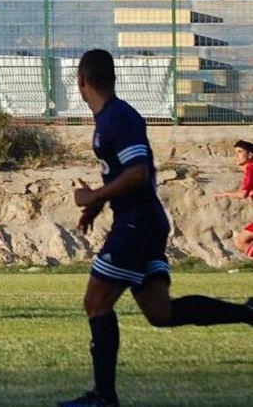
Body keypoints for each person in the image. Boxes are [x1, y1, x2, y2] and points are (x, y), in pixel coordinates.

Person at [58, 49, 253, 407]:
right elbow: (124, 173)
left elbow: (137, 174)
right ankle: (248, 313)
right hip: (141, 223)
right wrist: (98, 205)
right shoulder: (112, 117)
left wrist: (92, 196)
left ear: (82, 82)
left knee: (96, 304)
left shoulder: (116, 118)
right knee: (160, 313)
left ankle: (104, 397)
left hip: (136, 225)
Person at [212, 139, 253, 261]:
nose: (237, 155)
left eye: (240, 152)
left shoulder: (250, 169)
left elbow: (243, 194)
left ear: (250, 155)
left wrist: (225, 194)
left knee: (240, 242)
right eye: (235, 152)